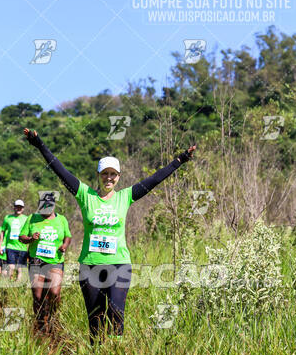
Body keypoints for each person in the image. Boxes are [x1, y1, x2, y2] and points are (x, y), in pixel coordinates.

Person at [23, 128, 196, 343]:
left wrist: (179, 160)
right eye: (105, 173)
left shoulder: (125, 197)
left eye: (113, 174)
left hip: (119, 264)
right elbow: (60, 169)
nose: (109, 178)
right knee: (95, 320)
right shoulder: (85, 195)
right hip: (90, 265)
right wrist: (39, 144)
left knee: (116, 315)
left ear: (118, 177)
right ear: (98, 175)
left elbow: (154, 180)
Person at [19, 192, 71, 334]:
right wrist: (31, 238)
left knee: (54, 292)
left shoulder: (62, 220)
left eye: (49, 206)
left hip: (55, 261)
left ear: (53, 206)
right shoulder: (32, 218)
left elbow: (67, 236)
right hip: (36, 261)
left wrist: (64, 246)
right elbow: (21, 237)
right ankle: (40, 322)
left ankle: (54, 318)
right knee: (37, 295)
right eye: (43, 205)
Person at [0, 199, 28, 281]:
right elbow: (2, 232)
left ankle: (17, 286)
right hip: (10, 246)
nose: (18, 208)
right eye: (17, 207)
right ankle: (9, 285)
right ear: (14, 207)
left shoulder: (26, 219)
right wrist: (0, 246)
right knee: (11, 267)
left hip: (22, 247)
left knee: (20, 269)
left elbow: (29, 233)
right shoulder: (7, 218)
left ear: (23, 208)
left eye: (20, 207)